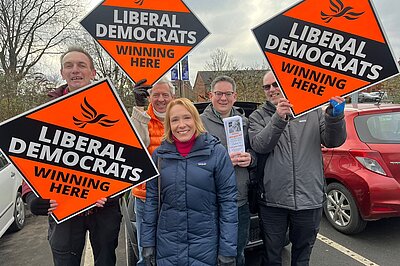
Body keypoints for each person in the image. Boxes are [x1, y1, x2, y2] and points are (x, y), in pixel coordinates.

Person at [22, 47, 122, 266]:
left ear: (93, 72)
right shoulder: (44, 112)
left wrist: (115, 192)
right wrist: (30, 197)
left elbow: (126, 157)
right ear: (62, 72)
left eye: (81, 65)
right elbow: (30, 157)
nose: (75, 70)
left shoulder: (111, 110)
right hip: (63, 211)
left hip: (103, 210)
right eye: (69, 65)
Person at [248, 71, 347, 266]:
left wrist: (335, 117)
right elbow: (260, 145)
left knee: (302, 256)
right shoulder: (258, 116)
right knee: (272, 255)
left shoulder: (312, 111)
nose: (271, 90)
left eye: (275, 84)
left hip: (309, 199)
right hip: (273, 201)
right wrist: (278, 117)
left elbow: (333, 141)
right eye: (266, 87)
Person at [141, 98, 238, 266]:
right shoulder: (159, 156)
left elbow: (228, 203)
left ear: (196, 119)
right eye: (175, 120)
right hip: (168, 245)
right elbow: (151, 203)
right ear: (169, 125)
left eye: (187, 117)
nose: (181, 125)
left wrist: (228, 250)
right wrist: (147, 243)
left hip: (206, 245)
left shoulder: (216, 153)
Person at [200, 75, 256, 266]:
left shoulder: (245, 122)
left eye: (227, 94)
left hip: (238, 201)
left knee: (236, 254)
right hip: (208, 202)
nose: (223, 98)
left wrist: (251, 158)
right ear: (210, 95)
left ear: (235, 96)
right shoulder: (198, 124)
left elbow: (258, 152)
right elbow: (192, 161)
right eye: (218, 93)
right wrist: (221, 161)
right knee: (208, 255)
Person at [130, 76, 174, 265]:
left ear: (173, 96)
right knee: (146, 252)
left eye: (165, 94)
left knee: (172, 249)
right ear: (148, 96)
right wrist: (139, 109)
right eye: (156, 95)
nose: (161, 99)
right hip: (145, 196)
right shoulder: (141, 119)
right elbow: (135, 147)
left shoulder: (179, 117)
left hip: (174, 196)